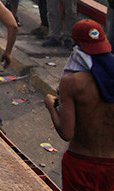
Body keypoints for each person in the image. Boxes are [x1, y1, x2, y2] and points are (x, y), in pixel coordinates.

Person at [44, 20, 114, 191]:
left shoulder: (72, 83)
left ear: (75, 46)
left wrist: (51, 107)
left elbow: (67, 133)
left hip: (80, 163)